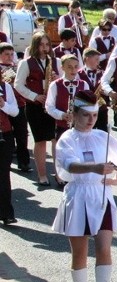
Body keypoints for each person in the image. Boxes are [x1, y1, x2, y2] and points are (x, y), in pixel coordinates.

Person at [53, 91, 117, 282]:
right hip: (78, 196)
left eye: (95, 115)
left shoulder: (101, 136)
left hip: (102, 195)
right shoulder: (66, 138)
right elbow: (70, 165)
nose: (91, 120)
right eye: (86, 115)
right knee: (80, 252)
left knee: (104, 248)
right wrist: (94, 168)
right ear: (74, 114)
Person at [14, 32, 59, 186]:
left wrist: (56, 78)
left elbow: (63, 82)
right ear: (35, 45)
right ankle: (42, 175)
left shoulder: (55, 61)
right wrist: (35, 96)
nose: (45, 48)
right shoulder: (26, 63)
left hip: (52, 105)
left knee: (56, 140)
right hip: (35, 106)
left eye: (47, 45)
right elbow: (18, 85)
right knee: (40, 141)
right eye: (41, 45)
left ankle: (59, 174)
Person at [45, 55, 89, 163]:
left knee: (81, 152)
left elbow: (88, 106)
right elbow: (49, 106)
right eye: (69, 67)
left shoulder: (84, 84)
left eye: (75, 67)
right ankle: (60, 176)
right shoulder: (55, 85)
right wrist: (62, 115)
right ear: (62, 68)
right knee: (62, 152)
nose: (73, 70)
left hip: (80, 125)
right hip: (62, 125)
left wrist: (79, 115)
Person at [0, 42, 30, 173]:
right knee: (6, 134)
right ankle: (7, 160)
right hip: (3, 107)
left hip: (19, 103)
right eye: (6, 54)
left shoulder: (18, 67)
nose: (10, 57)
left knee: (22, 134)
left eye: (12, 54)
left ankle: (24, 162)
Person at [0, 60, 20, 224]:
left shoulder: (6, 88)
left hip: (5, 135)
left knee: (4, 174)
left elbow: (15, 112)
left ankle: (6, 213)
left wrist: (3, 105)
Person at [77, 49, 109, 132]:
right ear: (87, 59)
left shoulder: (103, 73)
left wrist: (105, 91)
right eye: (96, 59)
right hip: (85, 110)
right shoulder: (78, 74)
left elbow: (107, 87)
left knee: (103, 133)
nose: (98, 62)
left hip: (101, 109)